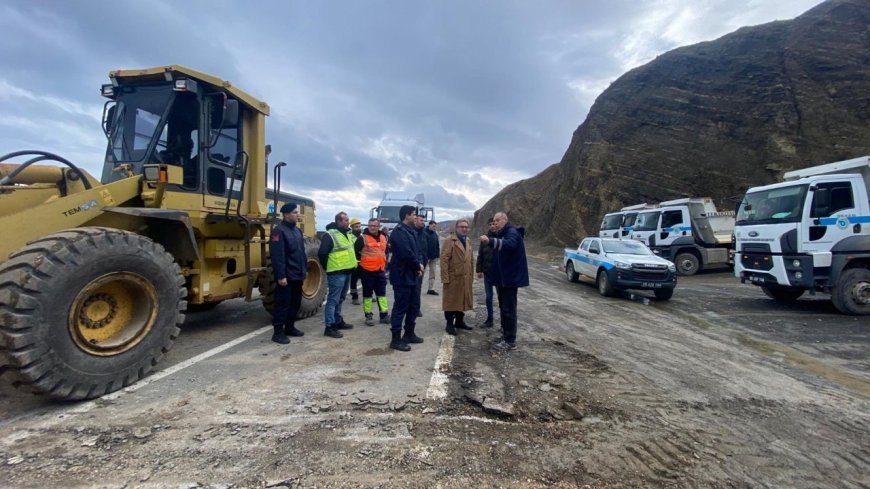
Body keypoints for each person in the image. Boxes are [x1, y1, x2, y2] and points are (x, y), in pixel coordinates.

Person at [479, 212, 529, 351]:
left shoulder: (511, 232)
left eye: (497, 220)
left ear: (504, 220)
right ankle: (506, 335)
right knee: (503, 308)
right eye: (493, 221)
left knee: (509, 309)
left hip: (509, 279)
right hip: (502, 280)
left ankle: (510, 340)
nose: (494, 223)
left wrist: (490, 240)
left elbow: (510, 244)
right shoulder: (501, 233)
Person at [268, 203, 307, 344]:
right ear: (286, 215)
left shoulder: (297, 231)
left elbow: (301, 253)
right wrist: (281, 276)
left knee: (295, 303)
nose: (298, 214)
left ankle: (290, 327)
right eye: (295, 212)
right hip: (287, 276)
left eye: (297, 212)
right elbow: (278, 256)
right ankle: (278, 333)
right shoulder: (279, 231)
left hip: (297, 274)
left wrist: (304, 271)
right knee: (282, 304)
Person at [387, 206, 424, 351]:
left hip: (412, 275)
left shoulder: (411, 231)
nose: (416, 217)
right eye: (414, 215)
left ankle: (409, 333)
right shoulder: (398, 233)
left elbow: (417, 251)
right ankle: (395, 339)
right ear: (406, 216)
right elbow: (406, 254)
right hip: (402, 276)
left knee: (414, 306)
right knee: (400, 307)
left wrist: (419, 264)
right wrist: (417, 267)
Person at [317, 212, 357, 338]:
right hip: (336, 273)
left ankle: (337, 321)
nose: (348, 222)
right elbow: (322, 253)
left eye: (348, 219)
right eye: (345, 220)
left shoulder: (348, 234)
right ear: (338, 221)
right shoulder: (330, 235)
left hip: (346, 271)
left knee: (340, 299)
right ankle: (329, 327)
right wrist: (327, 267)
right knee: (333, 300)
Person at [354, 218, 391, 326]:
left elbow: (385, 251)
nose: (372, 227)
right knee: (367, 295)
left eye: (374, 225)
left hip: (380, 270)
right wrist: (360, 265)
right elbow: (355, 252)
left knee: (381, 294)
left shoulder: (383, 237)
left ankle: (384, 315)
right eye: (370, 225)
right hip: (367, 270)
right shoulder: (362, 238)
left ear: (378, 226)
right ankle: (368, 315)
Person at [440, 219, 474, 335]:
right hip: (453, 277)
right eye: (461, 227)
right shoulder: (450, 240)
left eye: (466, 227)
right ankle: (449, 324)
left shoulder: (468, 241)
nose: (464, 229)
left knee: (462, 300)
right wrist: (445, 278)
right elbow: (444, 260)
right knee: (451, 301)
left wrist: (471, 276)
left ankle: (459, 321)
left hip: (465, 277)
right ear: (456, 228)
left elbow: (471, 260)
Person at [475, 217, 497, 328]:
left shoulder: (502, 237)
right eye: (490, 224)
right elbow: (480, 255)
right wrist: (479, 270)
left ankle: (504, 324)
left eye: (494, 223)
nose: (492, 226)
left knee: (502, 299)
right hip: (488, 272)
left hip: (499, 274)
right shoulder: (484, 239)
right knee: (488, 297)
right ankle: (490, 319)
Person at [414, 214, 428, 318]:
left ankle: (416, 309)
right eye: (421, 220)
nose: (423, 222)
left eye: (423, 220)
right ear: (415, 221)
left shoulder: (424, 233)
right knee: (411, 288)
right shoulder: (411, 232)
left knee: (418, 287)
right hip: (413, 264)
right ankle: (409, 308)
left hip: (422, 264)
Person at [349, 218, 363, 305]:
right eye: (356, 227)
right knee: (353, 281)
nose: (358, 228)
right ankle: (355, 297)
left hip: (363, 262)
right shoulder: (350, 237)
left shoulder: (362, 236)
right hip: (354, 262)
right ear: (352, 228)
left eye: (359, 226)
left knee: (366, 280)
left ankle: (368, 295)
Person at [425, 220, 441, 295]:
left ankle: (430, 289)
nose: (435, 228)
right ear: (429, 225)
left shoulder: (435, 234)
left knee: (433, 273)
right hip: (425, 257)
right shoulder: (424, 233)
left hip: (433, 257)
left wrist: (438, 255)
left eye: (435, 226)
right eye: (433, 226)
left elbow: (437, 245)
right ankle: (417, 287)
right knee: (421, 272)